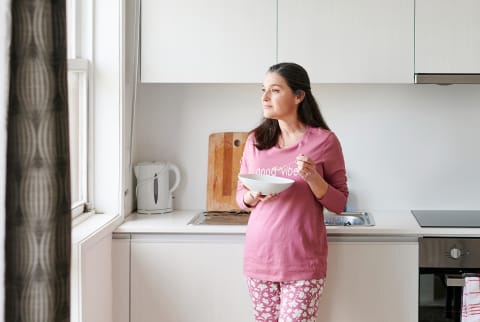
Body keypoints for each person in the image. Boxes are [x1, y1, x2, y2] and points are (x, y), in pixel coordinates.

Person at [236, 62, 349, 322]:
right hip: (259, 257)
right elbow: (241, 194)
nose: (264, 97)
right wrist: (253, 196)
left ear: (299, 96)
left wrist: (313, 179)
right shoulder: (256, 140)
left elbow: (340, 203)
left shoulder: (324, 141)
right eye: (263, 90)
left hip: (302, 261)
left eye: (274, 90)